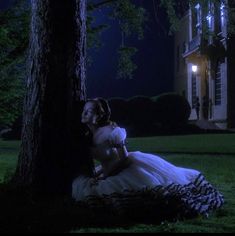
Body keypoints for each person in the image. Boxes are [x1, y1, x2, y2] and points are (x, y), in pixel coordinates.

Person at [72, 98, 224, 220]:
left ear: (99, 115)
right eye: (84, 110)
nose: (84, 113)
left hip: (124, 167)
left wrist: (106, 175)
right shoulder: (89, 135)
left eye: (89, 111)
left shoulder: (111, 132)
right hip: (107, 171)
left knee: (151, 196)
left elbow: (124, 158)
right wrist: (100, 174)